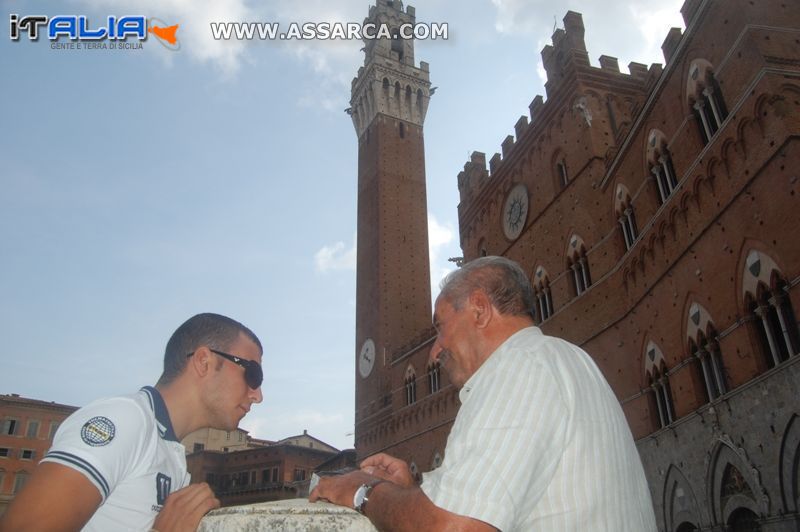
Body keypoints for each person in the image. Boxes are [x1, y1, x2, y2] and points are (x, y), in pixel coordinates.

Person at [310, 256, 657, 531]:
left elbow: (452, 529)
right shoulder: (569, 359)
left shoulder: (516, 369)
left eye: (440, 327)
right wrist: (411, 493)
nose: (435, 351)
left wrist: (362, 491)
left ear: (479, 308)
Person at [0, 313, 264, 532]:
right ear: (204, 361)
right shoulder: (125, 419)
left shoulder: (172, 458)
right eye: (253, 374)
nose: (257, 395)